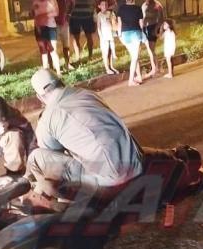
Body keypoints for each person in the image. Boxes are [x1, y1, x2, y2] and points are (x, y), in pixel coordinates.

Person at [27, 69, 143, 203]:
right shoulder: (88, 94)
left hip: (109, 183)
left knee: (36, 157)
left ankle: (56, 200)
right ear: (61, 81)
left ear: (39, 97)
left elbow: (51, 154)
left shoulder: (48, 118)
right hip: (137, 166)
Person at [116, 0, 143, 86]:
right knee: (135, 57)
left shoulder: (121, 8)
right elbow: (141, 23)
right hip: (135, 33)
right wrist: (142, 34)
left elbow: (119, 23)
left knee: (134, 56)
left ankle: (139, 76)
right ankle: (131, 80)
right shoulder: (138, 8)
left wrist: (119, 35)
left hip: (125, 34)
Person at [33, 0, 62, 74]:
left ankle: (58, 72)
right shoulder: (35, 1)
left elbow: (56, 12)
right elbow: (34, 16)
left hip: (51, 27)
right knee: (43, 52)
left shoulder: (52, 1)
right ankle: (46, 72)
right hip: (40, 28)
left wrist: (42, 16)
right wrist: (37, 26)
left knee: (53, 50)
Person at [140, 0, 162, 77]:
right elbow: (142, 18)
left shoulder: (157, 5)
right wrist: (142, 29)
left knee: (151, 49)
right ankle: (156, 68)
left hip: (153, 27)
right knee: (150, 50)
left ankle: (156, 69)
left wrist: (156, 29)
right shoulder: (144, 5)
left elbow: (161, 19)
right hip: (146, 28)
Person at [95, 0, 117, 75]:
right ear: (99, 6)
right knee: (105, 52)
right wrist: (101, 36)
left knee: (111, 51)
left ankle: (112, 66)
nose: (104, 6)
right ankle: (107, 68)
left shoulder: (109, 13)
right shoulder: (99, 15)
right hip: (104, 36)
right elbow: (98, 27)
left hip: (110, 34)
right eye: (103, 5)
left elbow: (113, 22)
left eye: (106, 5)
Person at [56, 0, 74, 71]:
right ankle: (52, 67)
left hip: (64, 23)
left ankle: (67, 64)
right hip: (53, 24)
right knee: (53, 48)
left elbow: (72, 2)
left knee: (66, 46)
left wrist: (69, 15)